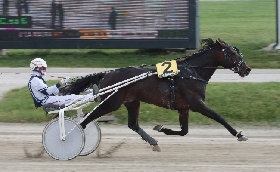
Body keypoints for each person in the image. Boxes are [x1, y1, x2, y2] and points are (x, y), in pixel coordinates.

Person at [28, 58, 98, 110]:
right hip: (46, 101)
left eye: (44, 68)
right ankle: (92, 97)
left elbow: (52, 92)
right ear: (36, 68)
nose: (44, 70)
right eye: (42, 68)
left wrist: (65, 87)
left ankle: (91, 92)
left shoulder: (37, 79)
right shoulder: (35, 80)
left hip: (49, 98)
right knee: (73, 97)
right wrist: (61, 82)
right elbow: (48, 91)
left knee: (72, 88)